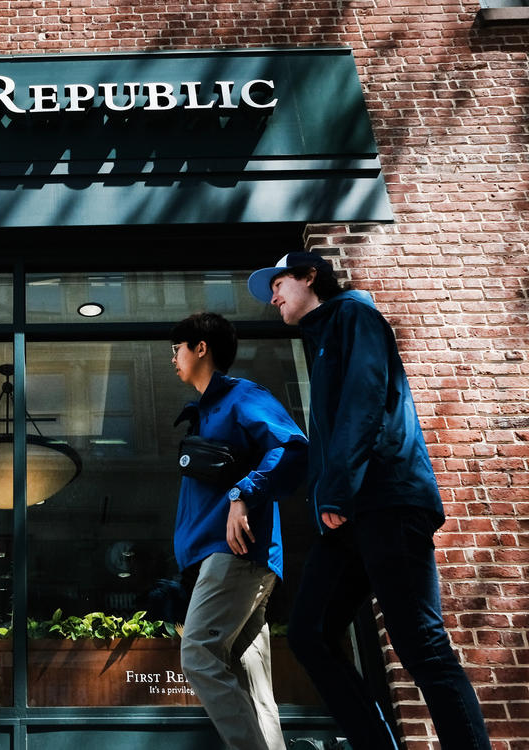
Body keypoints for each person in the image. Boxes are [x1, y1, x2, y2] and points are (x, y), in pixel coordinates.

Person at [247, 252, 491, 749]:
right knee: (310, 634)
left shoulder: (354, 315)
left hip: (384, 498)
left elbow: (365, 397)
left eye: (278, 283)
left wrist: (336, 489)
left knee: (420, 643)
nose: (273, 297)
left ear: (310, 276)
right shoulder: (322, 338)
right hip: (350, 515)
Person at [170, 312, 308, 750]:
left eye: (177, 349)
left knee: (197, 654)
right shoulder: (204, 413)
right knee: (253, 684)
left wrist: (243, 493)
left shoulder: (242, 397)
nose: (172, 358)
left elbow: (291, 446)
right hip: (222, 561)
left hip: (234, 557)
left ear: (201, 348)